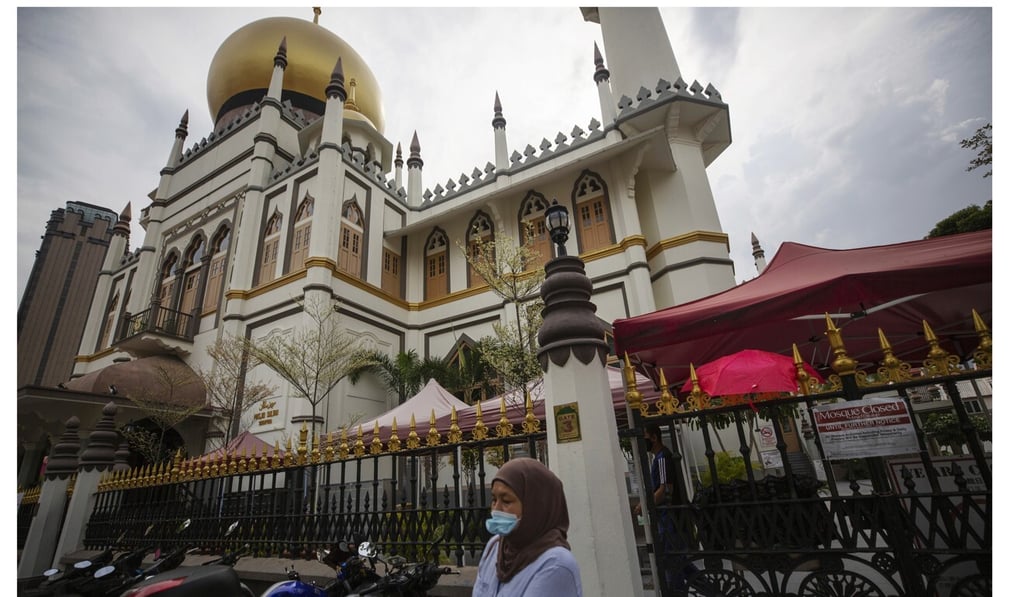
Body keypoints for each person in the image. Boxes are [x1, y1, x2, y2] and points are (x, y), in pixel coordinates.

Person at [473, 458, 583, 597]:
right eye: (494, 499)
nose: (496, 509)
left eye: (506, 501)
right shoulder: (495, 546)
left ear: (535, 506)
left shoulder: (556, 564)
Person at [634, 424, 700, 593]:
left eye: (645, 437)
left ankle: (679, 592)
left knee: (672, 560)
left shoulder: (663, 458)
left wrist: (647, 504)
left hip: (671, 517)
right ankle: (711, 590)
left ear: (654, 437)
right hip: (668, 516)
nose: (644, 442)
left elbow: (666, 489)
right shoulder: (658, 458)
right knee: (678, 560)